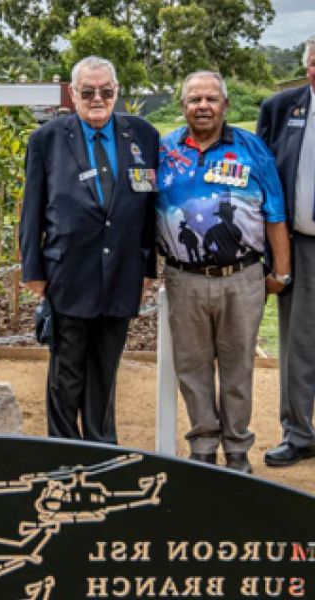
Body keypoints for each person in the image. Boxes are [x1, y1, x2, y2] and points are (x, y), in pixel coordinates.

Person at [157, 71, 291, 474]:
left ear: (226, 105)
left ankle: (236, 451)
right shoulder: (163, 150)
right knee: (192, 367)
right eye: (194, 99)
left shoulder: (253, 150)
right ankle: (202, 446)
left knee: (237, 368)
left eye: (211, 99)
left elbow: (276, 214)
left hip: (243, 277)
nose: (203, 106)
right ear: (183, 106)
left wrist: (280, 274)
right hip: (184, 279)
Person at [19, 56, 158, 444]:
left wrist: (148, 266)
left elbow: (149, 207)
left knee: (105, 370)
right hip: (67, 273)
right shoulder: (47, 139)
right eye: (88, 91)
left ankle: (100, 449)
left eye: (106, 91)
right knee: (67, 371)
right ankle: (63, 451)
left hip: (122, 274)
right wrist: (33, 270)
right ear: (73, 93)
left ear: (116, 92)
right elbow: (32, 209)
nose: (98, 98)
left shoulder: (142, 136)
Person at [257, 36, 315, 467]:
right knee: (298, 344)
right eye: (314, 62)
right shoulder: (280, 109)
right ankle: (298, 433)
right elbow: (261, 181)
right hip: (300, 245)